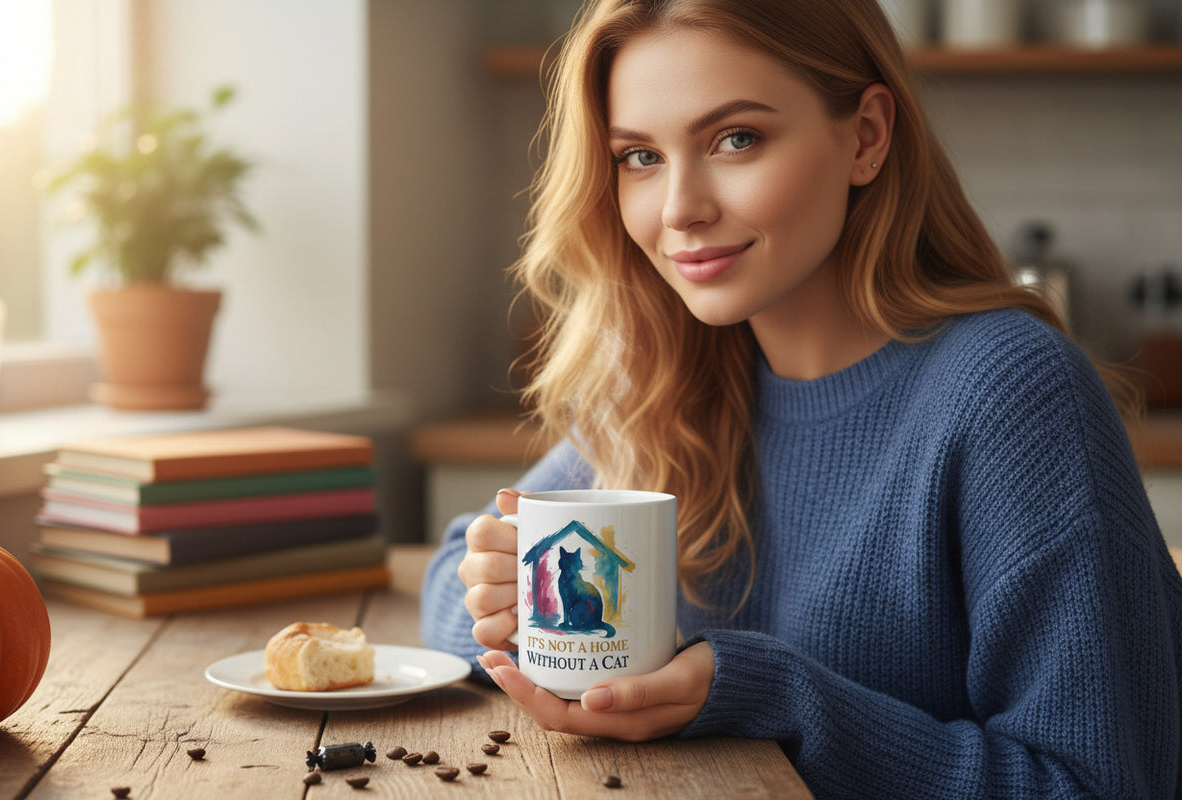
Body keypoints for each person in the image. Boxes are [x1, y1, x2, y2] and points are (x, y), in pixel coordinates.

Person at [420, 1, 1182, 797]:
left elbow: (1094, 783)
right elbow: (452, 570)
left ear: (866, 136)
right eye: (640, 156)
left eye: (735, 139)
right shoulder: (669, 377)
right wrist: (503, 599)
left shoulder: (1010, 394)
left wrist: (774, 699)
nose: (680, 208)